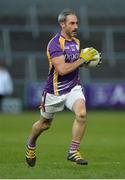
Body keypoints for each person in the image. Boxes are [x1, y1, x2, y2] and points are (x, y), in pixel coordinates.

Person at [25, 9, 101, 166]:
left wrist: (89, 63)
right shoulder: (55, 44)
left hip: (73, 87)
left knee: (81, 114)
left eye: (77, 23)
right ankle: (31, 144)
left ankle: (73, 151)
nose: (76, 26)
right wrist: (82, 60)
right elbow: (62, 70)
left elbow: (74, 65)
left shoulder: (76, 42)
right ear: (62, 24)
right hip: (54, 91)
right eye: (72, 23)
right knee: (44, 125)